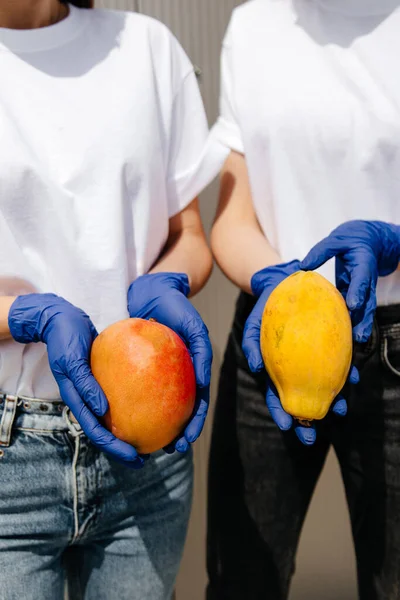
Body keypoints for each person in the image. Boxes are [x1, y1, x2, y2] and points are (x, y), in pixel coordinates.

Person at [0, 1, 226, 598]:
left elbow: (190, 237)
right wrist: (23, 316)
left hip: (146, 450)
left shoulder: (147, 49)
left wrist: (169, 279)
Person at [206, 1, 400, 598]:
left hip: (393, 347)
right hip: (277, 335)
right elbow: (233, 215)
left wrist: (393, 243)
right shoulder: (254, 25)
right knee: (243, 580)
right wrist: (275, 278)